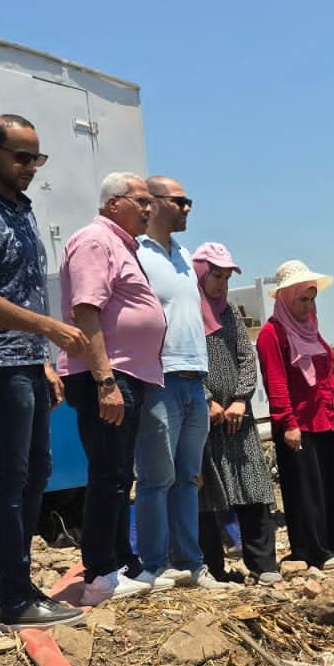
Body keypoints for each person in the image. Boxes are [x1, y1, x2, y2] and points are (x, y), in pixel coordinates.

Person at [0, 115, 89, 627]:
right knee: (9, 479)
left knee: (35, 475)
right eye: (21, 157)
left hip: (26, 362)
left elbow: (21, 288)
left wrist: (43, 358)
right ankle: (12, 597)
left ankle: (19, 586)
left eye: (37, 158)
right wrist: (46, 328)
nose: (30, 167)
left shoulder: (22, 213)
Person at [57, 173, 163, 607]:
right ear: (114, 202)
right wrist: (105, 381)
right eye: (142, 200)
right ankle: (100, 572)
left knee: (120, 475)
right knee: (108, 475)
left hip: (125, 375)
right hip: (107, 375)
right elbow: (85, 311)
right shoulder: (95, 241)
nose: (149, 208)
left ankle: (121, 563)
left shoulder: (121, 245)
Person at [133, 176, 227, 590]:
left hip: (193, 380)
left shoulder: (185, 255)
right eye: (180, 201)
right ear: (152, 203)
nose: (188, 208)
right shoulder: (135, 252)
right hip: (158, 378)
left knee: (188, 478)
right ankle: (153, 566)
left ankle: (190, 563)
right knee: (156, 478)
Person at [256, 260, 334, 570]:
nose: (308, 305)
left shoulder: (312, 329)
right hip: (298, 424)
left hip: (326, 419)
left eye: (312, 299)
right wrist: (287, 423)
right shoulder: (272, 334)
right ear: (285, 298)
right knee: (306, 489)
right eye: (302, 299)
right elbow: (276, 381)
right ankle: (312, 552)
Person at [192, 242, 278, 584]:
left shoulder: (229, 313)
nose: (222, 284)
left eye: (227, 277)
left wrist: (241, 400)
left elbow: (246, 356)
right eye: (216, 276)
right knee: (208, 494)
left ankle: (264, 565)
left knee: (252, 488)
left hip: (238, 421)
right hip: (205, 420)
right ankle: (213, 568)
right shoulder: (184, 316)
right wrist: (208, 400)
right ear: (199, 274)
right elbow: (183, 362)